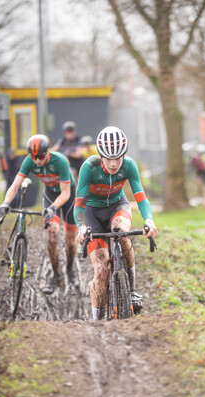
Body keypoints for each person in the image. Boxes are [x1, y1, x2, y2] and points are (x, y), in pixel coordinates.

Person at [74, 125, 158, 321]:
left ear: (124, 155)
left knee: (121, 232)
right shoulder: (89, 167)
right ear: (101, 156)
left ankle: (133, 290)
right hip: (92, 213)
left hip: (117, 206)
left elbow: (141, 198)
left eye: (118, 158)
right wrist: (81, 227)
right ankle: (97, 319)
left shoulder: (129, 166)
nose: (113, 164)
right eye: (109, 158)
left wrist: (149, 220)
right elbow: (78, 205)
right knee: (102, 269)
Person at [0, 134, 78, 294]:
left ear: (47, 152)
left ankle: (70, 269)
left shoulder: (60, 161)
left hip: (67, 196)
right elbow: (15, 185)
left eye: (40, 156)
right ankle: (56, 275)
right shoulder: (30, 162)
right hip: (50, 195)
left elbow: (65, 194)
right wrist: (6, 202)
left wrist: (53, 208)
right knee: (52, 236)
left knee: (70, 240)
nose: (37, 161)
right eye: (33, 157)